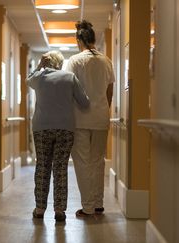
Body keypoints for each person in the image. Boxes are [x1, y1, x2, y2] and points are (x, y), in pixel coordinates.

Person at [27, 50, 90, 222]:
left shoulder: (39, 77)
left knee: (42, 167)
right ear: (60, 64)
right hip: (65, 128)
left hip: (41, 128)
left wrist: (40, 66)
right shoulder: (69, 78)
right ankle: (59, 211)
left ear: (46, 62)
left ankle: (39, 209)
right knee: (60, 168)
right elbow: (84, 103)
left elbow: (28, 79)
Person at [65, 20, 115, 217]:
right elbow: (110, 91)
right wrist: (103, 109)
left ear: (79, 40)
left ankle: (87, 206)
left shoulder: (75, 61)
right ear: (93, 39)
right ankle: (99, 203)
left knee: (82, 162)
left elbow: (69, 89)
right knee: (98, 161)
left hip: (80, 119)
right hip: (101, 118)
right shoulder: (107, 60)